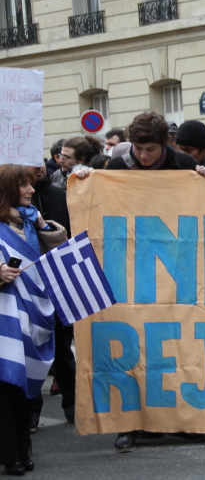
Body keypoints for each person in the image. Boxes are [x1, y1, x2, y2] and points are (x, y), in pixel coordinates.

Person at [78, 111, 205, 452]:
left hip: (176, 270)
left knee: (178, 346)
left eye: (149, 149)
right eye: (137, 148)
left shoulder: (182, 164)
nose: (143, 155)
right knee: (132, 348)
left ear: (164, 144)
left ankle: (183, 421)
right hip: (131, 270)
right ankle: (129, 424)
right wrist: (85, 179)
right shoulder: (119, 167)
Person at [0, 164, 68, 475]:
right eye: (24, 186)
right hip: (5, 318)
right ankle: (10, 453)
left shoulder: (31, 221)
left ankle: (24, 451)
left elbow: (59, 252)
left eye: (30, 185)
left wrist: (41, 224)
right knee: (7, 383)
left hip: (36, 314)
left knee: (28, 383)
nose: (30, 191)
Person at [29, 164, 75, 431]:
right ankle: (32, 412)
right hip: (27, 286)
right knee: (32, 352)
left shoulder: (59, 196)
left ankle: (72, 404)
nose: (37, 168)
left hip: (58, 282)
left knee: (62, 349)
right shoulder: (7, 202)